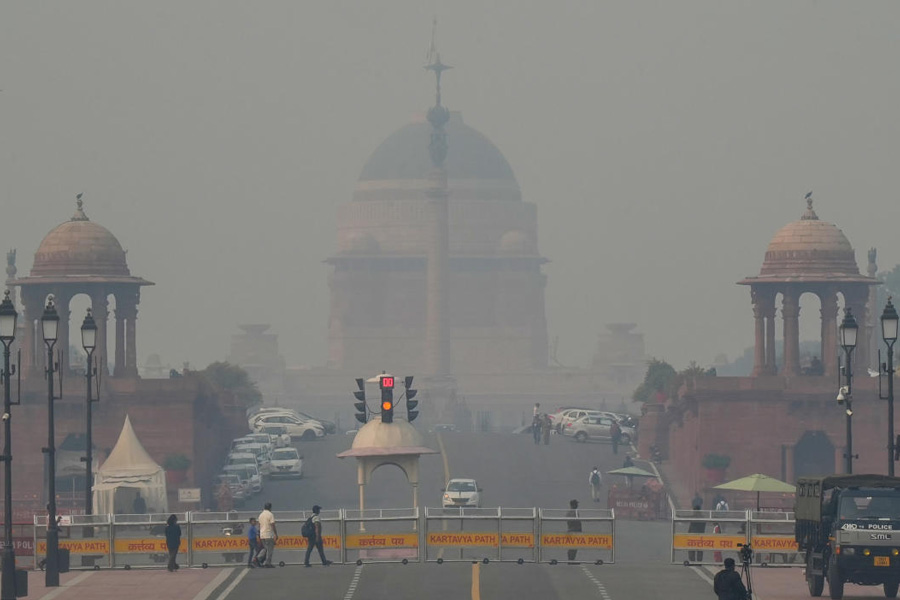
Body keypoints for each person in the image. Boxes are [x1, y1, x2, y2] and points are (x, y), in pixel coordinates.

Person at [258, 502, 278, 568]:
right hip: (269, 534)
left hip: (262, 534)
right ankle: (268, 563)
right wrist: (276, 533)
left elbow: (259, 525)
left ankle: (258, 558)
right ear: (270, 507)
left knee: (265, 548)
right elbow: (272, 524)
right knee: (269, 549)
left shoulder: (261, 515)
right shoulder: (270, 514)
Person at [688, 493, 705, 563]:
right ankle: (699, 560)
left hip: (693, 534)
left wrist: (688, 533)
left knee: (691, 547)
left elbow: (691, 526)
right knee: (700, 548)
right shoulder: (703, 517)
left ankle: (692, 560)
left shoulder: (693, 516)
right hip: (700, 534)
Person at [566, 499, 582, 563]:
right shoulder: (574, 512)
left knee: (572, 546)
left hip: (571, 530)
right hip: (574, 530)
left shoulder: (569, 512)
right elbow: (576, 522)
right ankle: (571, 559)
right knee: (573, 546)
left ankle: (571, 559)